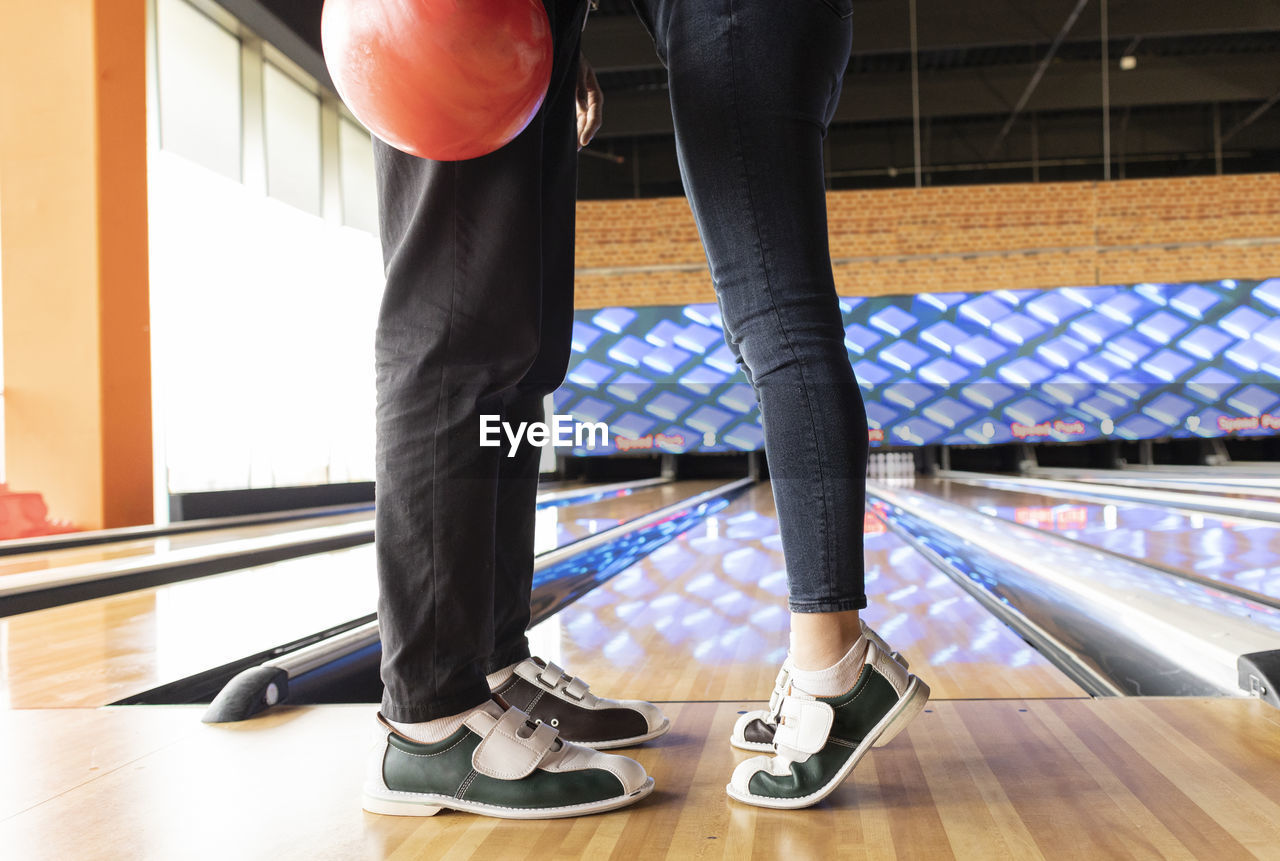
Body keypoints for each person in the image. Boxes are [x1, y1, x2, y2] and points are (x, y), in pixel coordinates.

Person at [360, 0, 667, 819]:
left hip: (535, 22)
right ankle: (429, 718)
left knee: (521, 353)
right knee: (451, 331)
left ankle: (492, 663)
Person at [626, 0, 931, 808]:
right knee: (776, 322)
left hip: (730, 20)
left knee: (780, 326)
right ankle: (826, 661)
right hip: (764, 22)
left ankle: (836, 671)